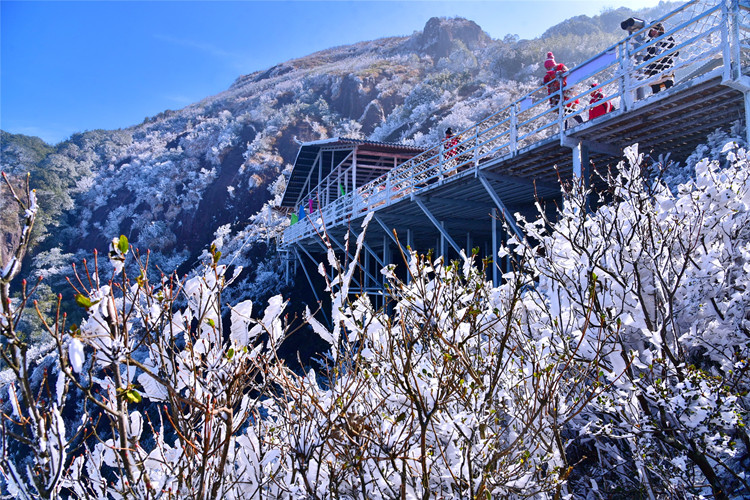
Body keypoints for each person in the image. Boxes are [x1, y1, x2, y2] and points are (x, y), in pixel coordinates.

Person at [543, 52, 583, 125]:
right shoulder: (549, 73)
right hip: (557, 94)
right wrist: (543, 83)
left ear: (552, 64)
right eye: (547, 68)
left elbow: (568, 72)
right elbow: (545, 82)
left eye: (549, 67)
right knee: (562, 113)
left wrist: (561, 72)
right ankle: (565, 129)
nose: (548, 69)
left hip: (566, 91)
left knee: (570, 109)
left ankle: (581, 123)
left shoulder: (561, 66)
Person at [643, 23, 677, 94]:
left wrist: (664, 54)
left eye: (655, 29)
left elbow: (676, 52)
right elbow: (645, 57)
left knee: (669, 87)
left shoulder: (667, 38)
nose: (653, 32)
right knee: (655, 89)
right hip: (654, 68)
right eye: (651, 30)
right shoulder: (648, 43)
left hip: (666, 65)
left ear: (660, 29)